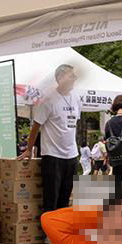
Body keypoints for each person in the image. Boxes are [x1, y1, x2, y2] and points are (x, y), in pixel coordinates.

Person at [22, 64, 80, 213]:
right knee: (51, 200)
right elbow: (36, 126)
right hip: (53, 155)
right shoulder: (48, 99)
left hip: (72, 155)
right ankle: (48, 228)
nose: (74, 79)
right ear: (60, 78)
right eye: (71, 76)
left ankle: (61, 227)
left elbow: (73, 124)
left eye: (75, 76)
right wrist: (29, 149)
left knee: (65, 201)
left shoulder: (76, 98)